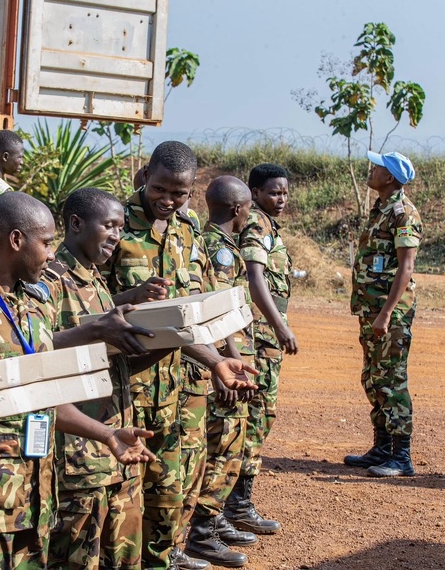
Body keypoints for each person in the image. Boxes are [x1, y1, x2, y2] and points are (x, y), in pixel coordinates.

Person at [0, 191, 159, 570]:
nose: (52, 255)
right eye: (47, 243)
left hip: (37, 495)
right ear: (16, 240)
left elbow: (43, 393)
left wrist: (106, 434)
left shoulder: (32, 303)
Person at [104, 141, 258, 569]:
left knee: (173, 485)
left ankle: (166, 554)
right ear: (145, 175)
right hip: (124, 384)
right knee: (123, 496)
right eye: (160, 189)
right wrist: (131, 298)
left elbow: (197, 306)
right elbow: (87, 303)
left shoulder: (187, 230)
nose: (168, 200)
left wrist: (220, 360)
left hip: (177, 380)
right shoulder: (113, 223)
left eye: (180, 193)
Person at [44, 188, 178, 569]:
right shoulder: (50, 281)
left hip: (119, 448)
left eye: (121, 227)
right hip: (80, 460)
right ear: (76, 224)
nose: (118, 235)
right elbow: (33, 355)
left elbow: (110, 368)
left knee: (124, 559)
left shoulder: (95, 281)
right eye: (110, 226)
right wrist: (95, 332)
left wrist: (169, 342)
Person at [186, 176, 258, 568]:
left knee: (226, 445)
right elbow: (215, 313)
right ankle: (202, 532)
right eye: (248, 207)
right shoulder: (219, 249)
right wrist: (223, 362)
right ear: (237, 208)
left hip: (223, 358)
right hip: (219, 361)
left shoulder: (211, 243)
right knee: (222, 446)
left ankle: (212, 522)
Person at [229, 163, 297, 535]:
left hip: (264, 336)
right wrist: (280, 326)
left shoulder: (267, 224)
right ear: (255, 193)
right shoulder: (257, 224)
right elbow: (255, 279)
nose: (281, 199)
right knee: (257, 416)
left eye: (284, 192)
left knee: (259, 416)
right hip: (259, 337)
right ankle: (236, 506)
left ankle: (236, 504)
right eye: (273, 192)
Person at [344, 151, 421, 478]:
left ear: (389, 177)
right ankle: (382, 447)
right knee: (374, 378)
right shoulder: (381, 209)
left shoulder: (404, 213)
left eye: (377, 167)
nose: (371, 170)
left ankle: (401, 457)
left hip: (390, 312)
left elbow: (406, 267)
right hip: (371, 309)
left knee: (392, 379)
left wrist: (386, 314)